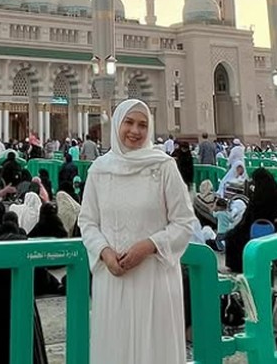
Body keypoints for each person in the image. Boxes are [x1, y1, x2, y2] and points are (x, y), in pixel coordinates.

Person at [79, 98, 194, 364]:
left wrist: (150, 245)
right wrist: (104, 252)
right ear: (117, 124)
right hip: (113, 278)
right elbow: (88, 222)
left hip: (154, 278)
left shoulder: (163, 166)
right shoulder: (100, 169)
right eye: (129, 123)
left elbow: (184, 222)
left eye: (143, 124)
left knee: (154, 348)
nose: (135, 131)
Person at [224, 168, 277, 273]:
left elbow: (248, 218)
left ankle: (237, 266)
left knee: (233, 237)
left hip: (254, 227)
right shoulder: (273, 192)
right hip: (271, 227)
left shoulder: (258, 197)